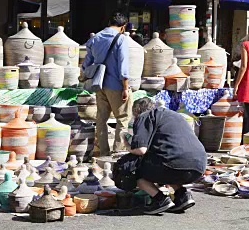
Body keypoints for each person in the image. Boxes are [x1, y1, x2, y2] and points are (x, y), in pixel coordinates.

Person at [124, 98, 206, 215]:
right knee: (168, 163)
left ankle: (160, 199)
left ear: (137, 111)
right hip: (199, 166)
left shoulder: (145, 116)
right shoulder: (175, 115)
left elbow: (140, 150)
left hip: (174, 164)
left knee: (133, 169)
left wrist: (126, 143)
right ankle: (182, 195)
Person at [82, 12, 132, 156]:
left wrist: (83, 76)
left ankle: (103, 152)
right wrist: (125, 88)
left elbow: (86, 64)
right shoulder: (121, 39)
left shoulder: (95, 38)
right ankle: (118, 153)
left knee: (101, 119)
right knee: (122, 118)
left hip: (99, 85)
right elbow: (123, 67)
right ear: (123, 27)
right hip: (116, 85)